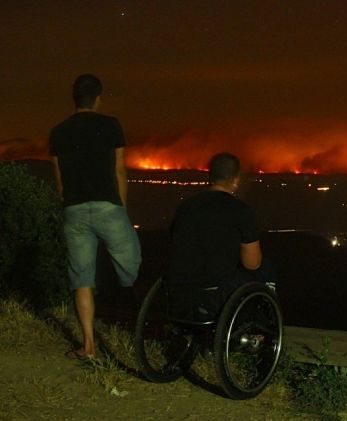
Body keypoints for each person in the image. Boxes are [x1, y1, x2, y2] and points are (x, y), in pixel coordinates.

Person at [49, 74, 142, 360]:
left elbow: (60, 180)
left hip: (74, 210)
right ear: (98, 98)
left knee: (82, 279)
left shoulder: (58, 132)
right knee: (133, 266)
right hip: (107, 206)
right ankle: (142, 326)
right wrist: (122, 210)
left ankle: (88, 346)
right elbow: (119, 171)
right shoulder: (110, 125)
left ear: (74, 99)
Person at [166, 152, 274, 320]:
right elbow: (252, 264)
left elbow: (176, 243)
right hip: (216, 292)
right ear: (236, 179)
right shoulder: (241, 211)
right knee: (266, 268)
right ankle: (261, 325)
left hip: (177, 289)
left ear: (210, 177)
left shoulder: (186, 207)